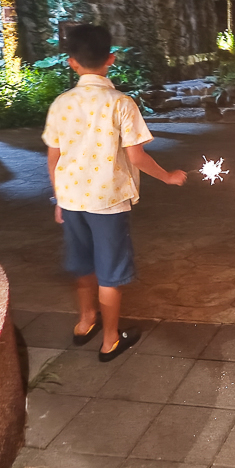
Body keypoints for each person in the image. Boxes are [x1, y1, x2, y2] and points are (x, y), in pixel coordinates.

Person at [43, 25, 187, 361]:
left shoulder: (61, 104)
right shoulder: (121, 104)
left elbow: (53, 158)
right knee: (110, 275)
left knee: (83, 265)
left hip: (72, 200)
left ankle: (85, 322)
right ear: (111, 58)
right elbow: (136, 157)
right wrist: (167, 177)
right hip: (108, 202)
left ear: (72, 62)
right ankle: (110, 340)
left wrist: (59, 198)